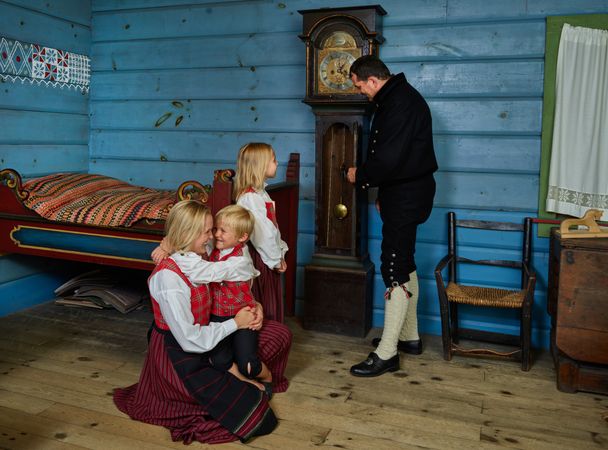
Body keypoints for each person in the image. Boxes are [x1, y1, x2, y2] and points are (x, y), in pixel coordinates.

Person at [114, 200, 291, 444]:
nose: (213, 237)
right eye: (208, 231)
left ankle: (248, 374)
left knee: (278, 334)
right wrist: (236, 323)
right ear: (189, 234)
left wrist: (255, 306)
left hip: (210, 326)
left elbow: (233, 281)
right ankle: (242, 380)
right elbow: (190, 340)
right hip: (180, 345)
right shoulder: (169, 280)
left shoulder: (199, 254)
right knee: (248, 413)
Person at [346, 55, 438, 377]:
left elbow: (388, 159)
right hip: (405, 193)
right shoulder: (398, 98)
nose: (362, 93)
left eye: (360, 86)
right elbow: (400, 157)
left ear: (372, 80)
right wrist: (385, 194)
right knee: (405, 260)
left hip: (408, 195)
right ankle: (409, 336)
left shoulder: (398, 103)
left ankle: (387, 353)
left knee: (393, 265)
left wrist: (361, 176)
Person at [206, 204, 273, 393]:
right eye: (215, 229)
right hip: (218, 314)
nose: (216, 234)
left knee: (248, 364)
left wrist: (257, 307)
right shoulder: (217, 246)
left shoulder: (240, 260)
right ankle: (245, 382)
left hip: (242, 314)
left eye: (223, 231)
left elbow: (210, 272)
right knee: (218, 359)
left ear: (242, 238)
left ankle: (267, 377)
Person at [234, 142, 288, 323]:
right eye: (273, 160)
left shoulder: (259, 193)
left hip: (266, 255)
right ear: (261, 165)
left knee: (271, 296)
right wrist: (275, 259)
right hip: (261, 257)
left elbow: (271, 228)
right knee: (266, 299)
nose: (277, 164)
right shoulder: (250, 198)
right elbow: (262, 235)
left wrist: (280, 252)